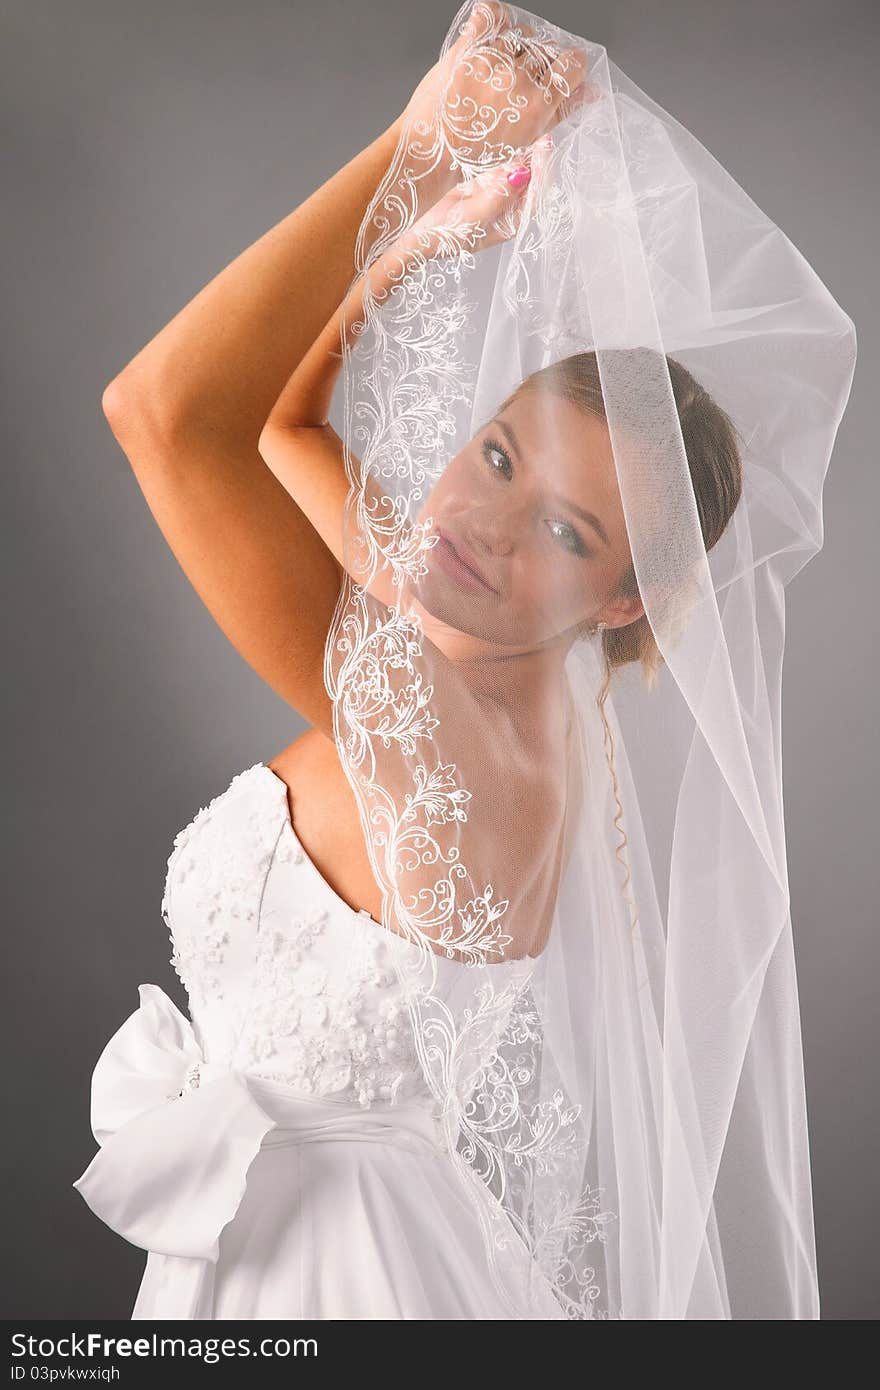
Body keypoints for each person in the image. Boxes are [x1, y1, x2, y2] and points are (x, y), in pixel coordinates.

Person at [73, 0, 856, 1319]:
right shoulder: (492, 654)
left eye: (563, 527)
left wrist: (417, 149)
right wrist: (415, 252)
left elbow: (163, 416)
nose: (477, 527)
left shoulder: (440, 721)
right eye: (495, 453)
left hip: (332, 1283)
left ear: (621, 599)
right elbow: (288, 433)